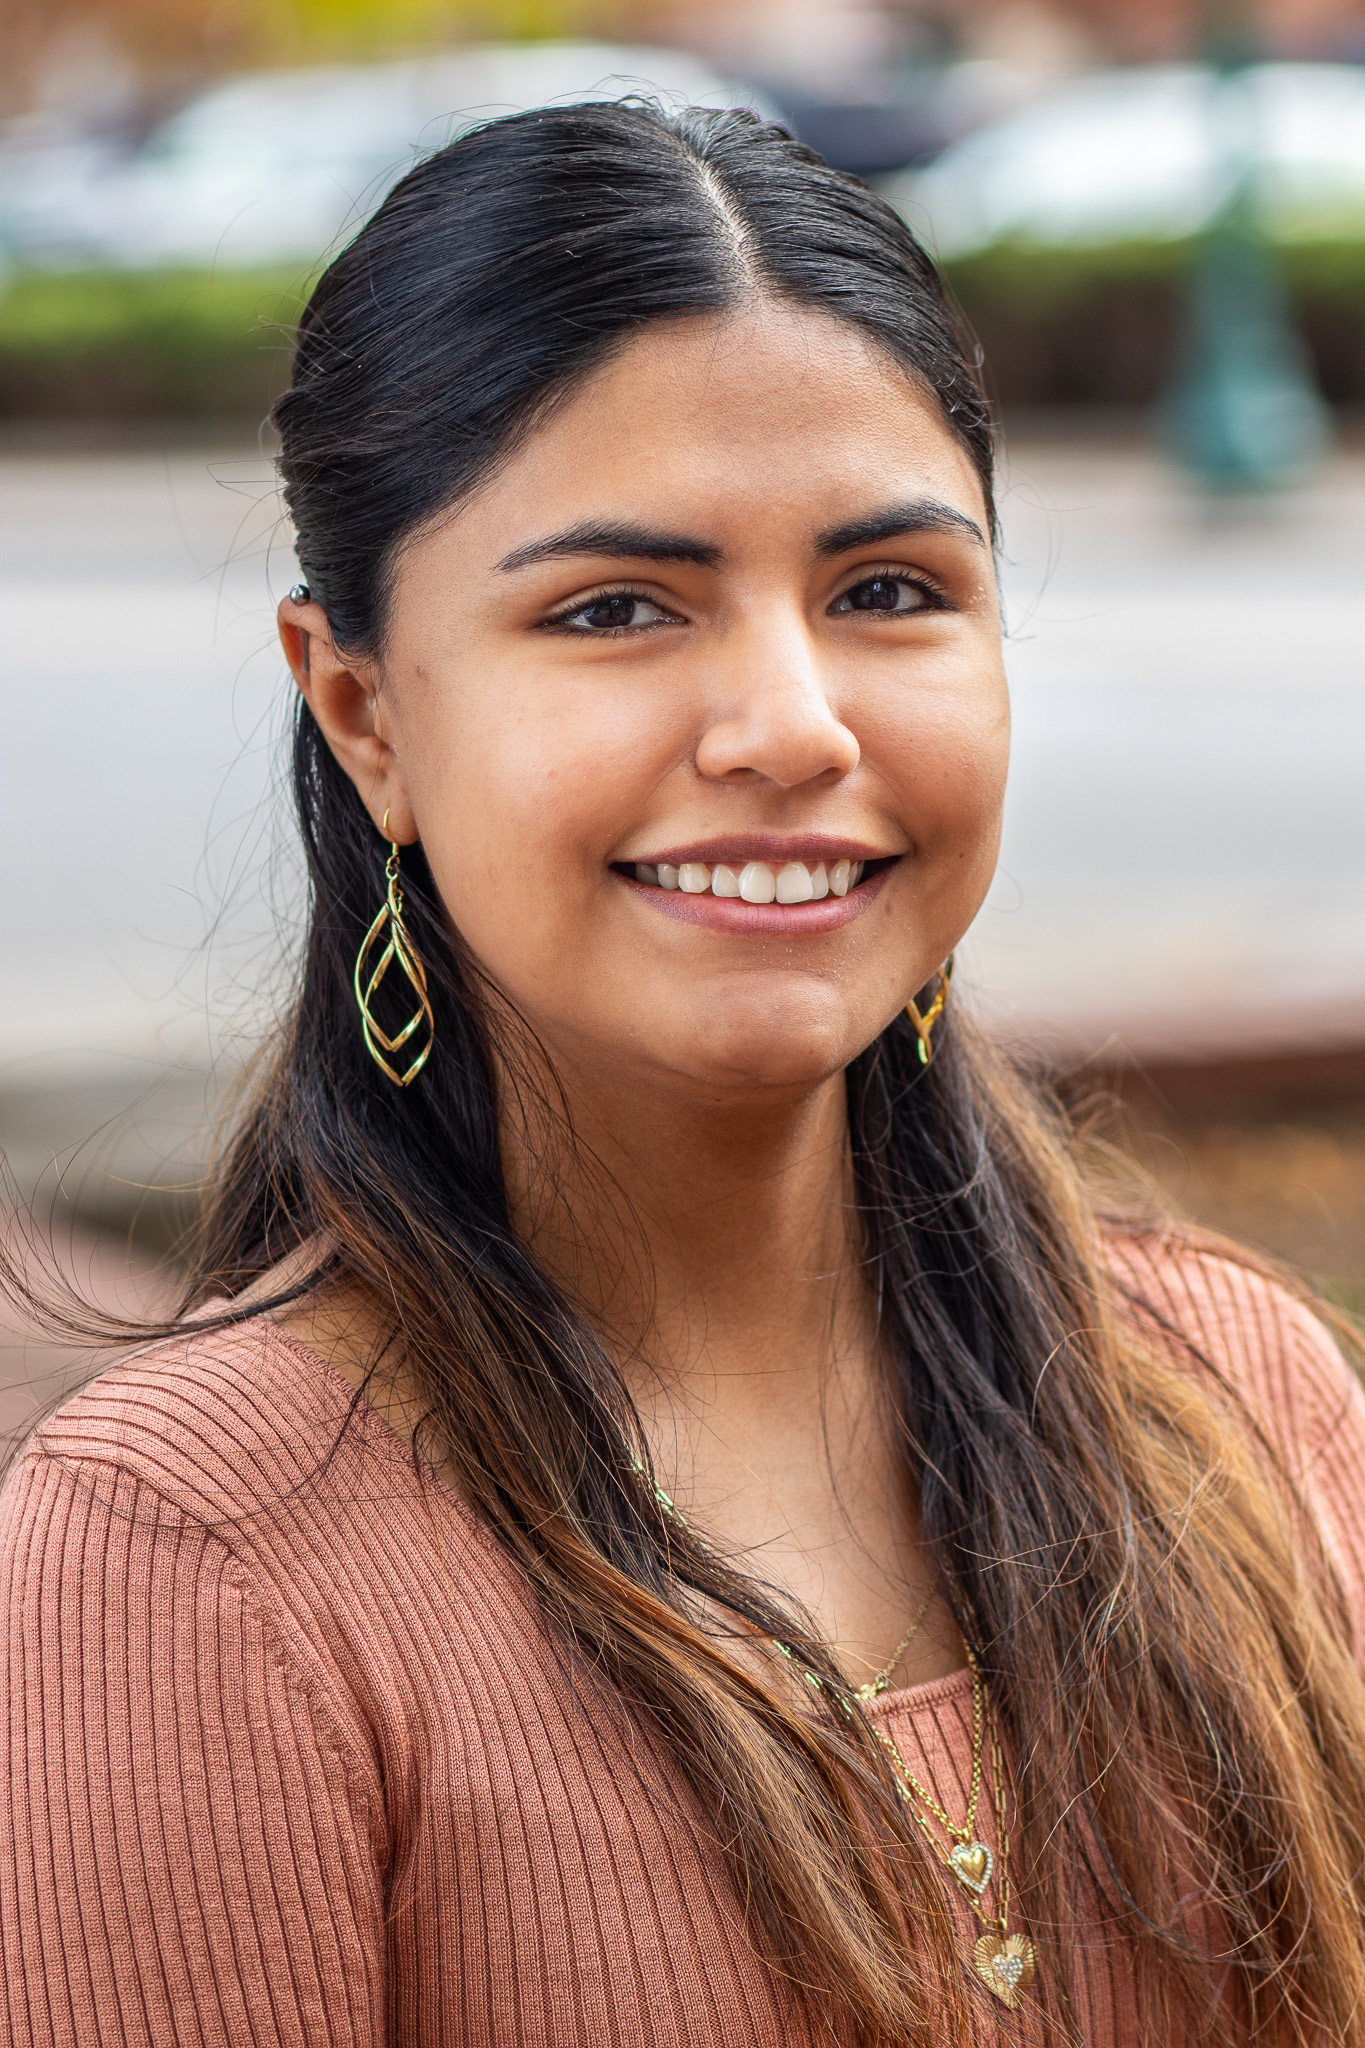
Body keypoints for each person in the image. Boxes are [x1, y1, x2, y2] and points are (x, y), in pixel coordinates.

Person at [2, 101, 1364, 2048]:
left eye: (887, 588)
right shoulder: (198, 1559)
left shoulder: (1237, 1401)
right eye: (614, 608)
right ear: (362, 706)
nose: (790, 723)